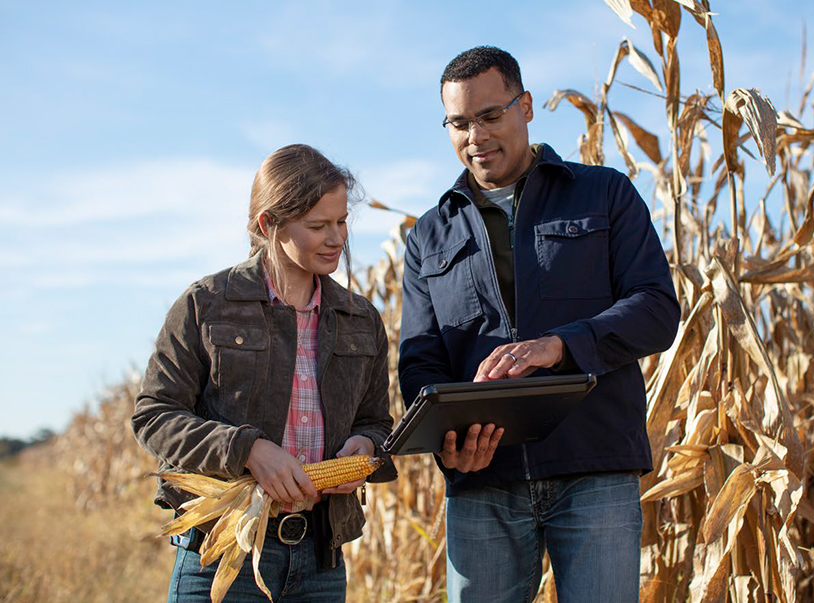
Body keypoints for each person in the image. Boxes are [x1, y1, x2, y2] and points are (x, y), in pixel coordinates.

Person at [398, 46, 681, 602]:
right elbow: (420, 362)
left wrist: (559, 346)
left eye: (489, 116)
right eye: (458, 123)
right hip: (483, 480)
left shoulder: (604, 193)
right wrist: (446, 444)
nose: (474, 137)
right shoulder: (428, 236)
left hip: (593, 466)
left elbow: (656, 310)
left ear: (525, 107)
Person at [132, 144, 393, 602]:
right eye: (318, 226)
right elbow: (154, 415)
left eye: (341, 222)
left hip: (320, 560)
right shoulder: (205, 304)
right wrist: (247, 449)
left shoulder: (361, 319)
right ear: (268, 224)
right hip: (222, 554)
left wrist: (366, 445)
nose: (336, 239)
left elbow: (377, 421)